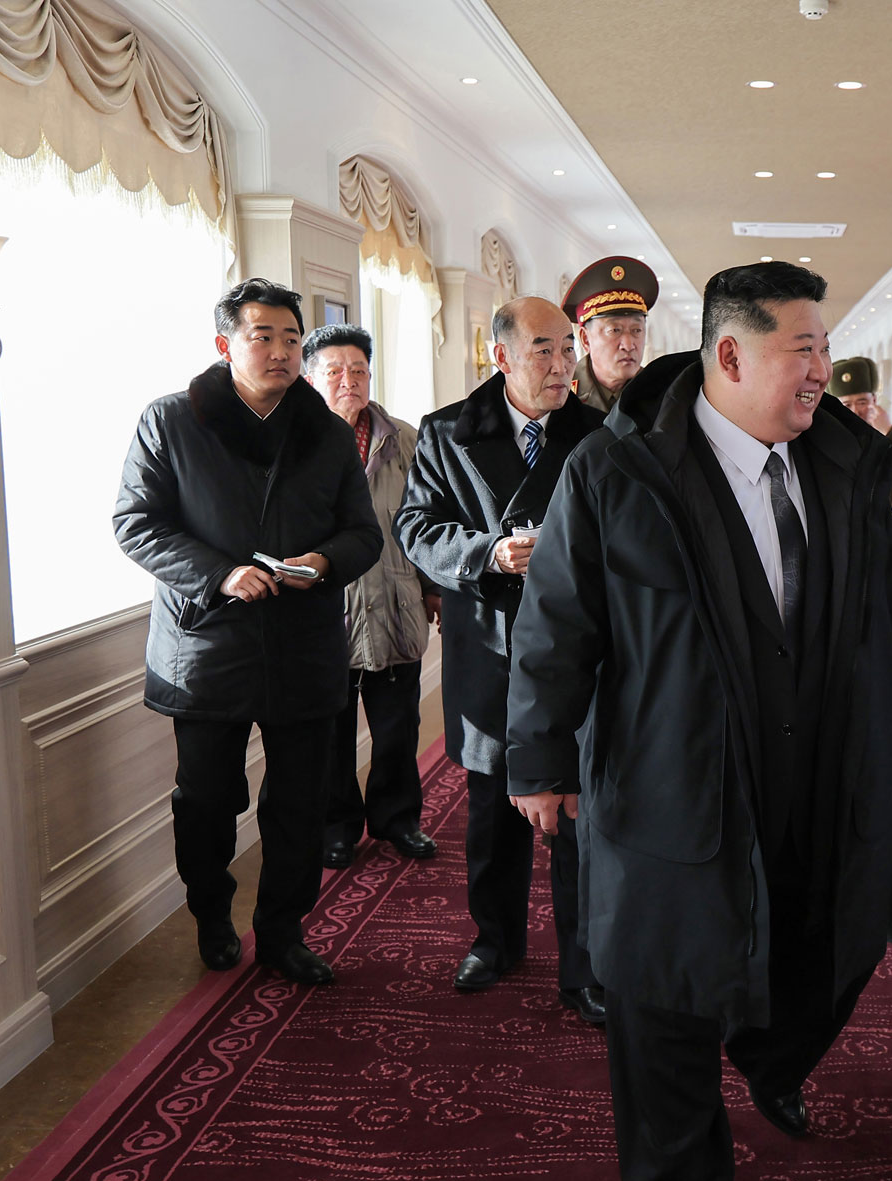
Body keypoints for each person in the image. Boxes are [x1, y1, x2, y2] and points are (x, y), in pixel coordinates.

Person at [502, 262, 892, 1181]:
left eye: (825, 347)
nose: (822, 369)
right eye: (803, 349)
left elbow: (883, 618)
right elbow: (557, 620)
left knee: (832, 932)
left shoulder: (845, 464)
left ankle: (772, 1055)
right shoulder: (618, 471)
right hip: (670, 771)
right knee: (664, 990)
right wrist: (538, 755)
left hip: (821, 762)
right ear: (729, 356)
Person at [113, 278, 382, 986]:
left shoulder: (325, 432)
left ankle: (283, 931)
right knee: (206, 798)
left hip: (303, 642)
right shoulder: (171, 421)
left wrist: (322, 561)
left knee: (298, 801)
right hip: (206, 644)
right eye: (263, 337)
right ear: (225, 343)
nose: (281, 352)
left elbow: (363, 533)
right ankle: (210, 912)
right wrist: (220, 574)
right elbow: (135, 525)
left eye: (292, 339)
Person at [390, 297, 606, 1022]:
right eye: (544, 350)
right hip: (487, 641)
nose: (562, 365)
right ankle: (496, 938)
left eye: (569, 351)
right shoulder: (451, 431)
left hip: (576, 649)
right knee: (491, 805)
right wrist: (487, 552)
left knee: (576, 811)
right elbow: (416, 526)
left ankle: (584, 965)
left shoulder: (599, 433)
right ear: (503, 357)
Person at [300, 323, 439, 870]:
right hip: (324, 615)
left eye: (358, 370)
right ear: (311, 379)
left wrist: (432, 588)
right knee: (331, 736)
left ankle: (398, 819)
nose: (348, 381)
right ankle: (337, 827)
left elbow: (426, 523)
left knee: (397, 729)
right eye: (334, 371)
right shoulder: (296, 444)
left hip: (395, 603)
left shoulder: (403, 438)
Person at [564, 255, 658, 413]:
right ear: (585, 339)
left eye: (637, 330)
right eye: (615, 330)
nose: (628, 345)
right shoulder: (563, 391)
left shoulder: (660, 391)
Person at [829, 356, 892, 506]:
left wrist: (887, 431)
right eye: (847, 405)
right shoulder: (829, 437)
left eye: (862, 402)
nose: (855, 411)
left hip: (883, 522)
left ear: (874, 401)